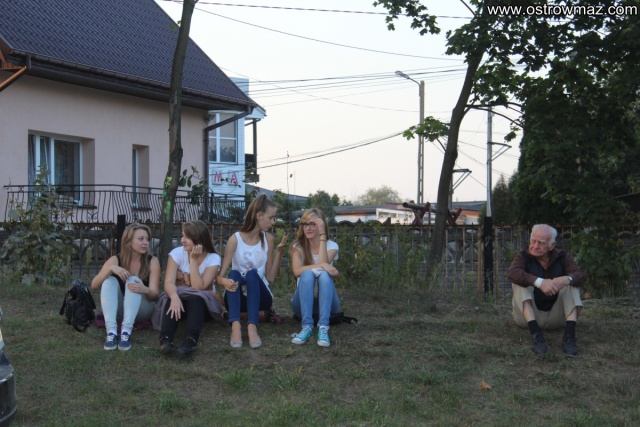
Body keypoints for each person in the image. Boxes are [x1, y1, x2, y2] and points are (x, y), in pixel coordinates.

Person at [217, 194, 286, 349]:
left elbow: (270, 277)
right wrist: (224, 281)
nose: (273, 222)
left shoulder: (268, 239)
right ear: (259, 215)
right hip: (237, 299)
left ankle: (252, 326)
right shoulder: (235, 240)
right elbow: (219, 277)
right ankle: (235, 327)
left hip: (261, 299)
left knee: (252, 274)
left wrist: (279, 253)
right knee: (234, 274)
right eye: (271, 218)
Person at [507, 224, 587, 356]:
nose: (535, 246)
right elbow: (512, 273)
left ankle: (569, 337)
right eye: (533, 241)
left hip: (557, 318)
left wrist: (567, 279)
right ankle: (536, 335)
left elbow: (580, 275)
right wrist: (540, 282)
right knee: (519, 282)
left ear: (552, 245)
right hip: (528, 318)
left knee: (571, 283)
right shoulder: (523, 256)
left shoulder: (562, 257)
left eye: (541, 243)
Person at [158, 220, 225, 355]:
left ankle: (190, 340)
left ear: (198, 238)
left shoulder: (213, 258)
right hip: (181, 305)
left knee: (196, 298)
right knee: (171, 297)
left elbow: (198, 287)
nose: (182, 240)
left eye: (187, 237)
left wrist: (193, 260)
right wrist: (175, 297)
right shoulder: (176, 253)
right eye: (183, 236)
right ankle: (166, 339)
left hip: (204, 307)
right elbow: (169, 282)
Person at [91, 223, 160, 351]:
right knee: (109, 280)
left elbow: (155, 295)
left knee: (133, 280)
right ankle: (111, 332)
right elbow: (94, 285)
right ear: (129, 241)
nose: (145, 243)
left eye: (147, 239)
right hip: (119, 311)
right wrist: (111, 269)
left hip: (142, 310)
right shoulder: (116, 259)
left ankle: (126, 332)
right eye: (141, 239)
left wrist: (144, 289)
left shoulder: (152, 261)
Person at [290, 208, 341, 348]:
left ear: (322, 225)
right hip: (302, 305)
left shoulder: (332, 246)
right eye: (305, 224)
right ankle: (306, 326)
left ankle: (323, 327)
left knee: (324, 274)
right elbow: (297, 271)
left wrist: (323, 235)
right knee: (307, 273)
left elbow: (324, 263)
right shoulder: (297, 246)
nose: (308, 228)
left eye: (313, 224)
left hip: (328, 305)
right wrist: (323, 265)